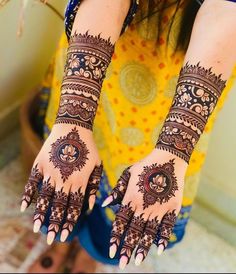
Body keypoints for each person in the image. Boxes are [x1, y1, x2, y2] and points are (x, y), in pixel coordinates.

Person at [21, 0, 236, 272]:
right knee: (65, 178)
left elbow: (226, 8)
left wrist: (174, 147)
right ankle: (64, 239)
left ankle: (94, 252)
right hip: (96, 44)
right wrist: (75, 115)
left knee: (134, 197)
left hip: (180, 83)